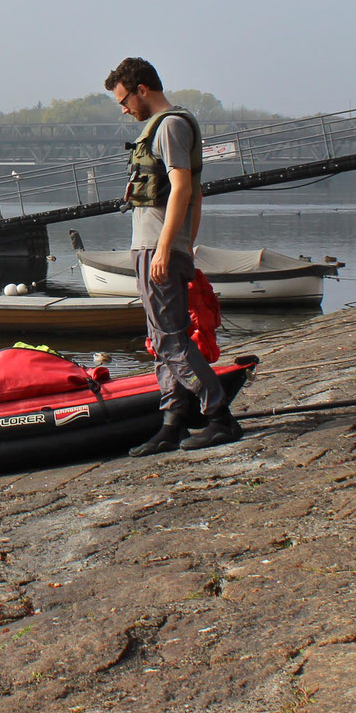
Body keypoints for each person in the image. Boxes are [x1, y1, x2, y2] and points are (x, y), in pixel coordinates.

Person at [105, 57, 243, 455]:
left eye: (124, 100)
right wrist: (184, 243)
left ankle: (219, 417)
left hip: (157, 249)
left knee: (170, 341)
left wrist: (169, 247)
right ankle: (173, 423)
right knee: (160, 340)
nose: (124, 108)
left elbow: (183, 188)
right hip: (156, 247)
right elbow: (194, 194)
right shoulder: (167, 127)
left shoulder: (170, 127)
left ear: (142, 90)